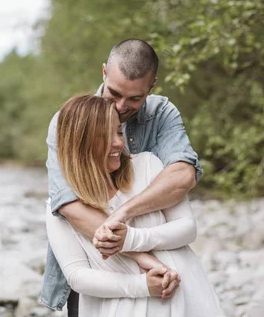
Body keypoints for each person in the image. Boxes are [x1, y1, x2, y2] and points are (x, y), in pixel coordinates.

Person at [39, 39, 203, 314]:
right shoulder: (69, 122)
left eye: (134, 98)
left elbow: (182, 175)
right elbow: (67, 204)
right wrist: (139, 258)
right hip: (100, 270)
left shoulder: (161, 115)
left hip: (163, 270)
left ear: (152, 87)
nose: (120, 106)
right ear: (104, 72)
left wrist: (122, 215)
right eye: (114, 93)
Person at [46, 94, 224, 316]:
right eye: (105, 135)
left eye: (119, 131)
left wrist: (130, 239)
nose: (119, 142)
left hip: (187, 300)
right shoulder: (63, 205)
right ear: (81, 143)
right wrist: (142, 286)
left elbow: (187, 228)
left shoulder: (148, 165)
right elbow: (76, 275)